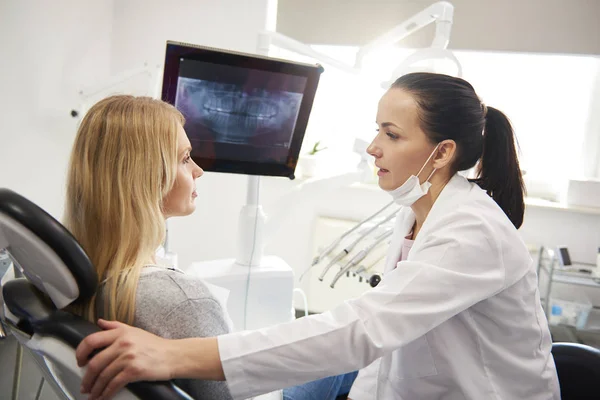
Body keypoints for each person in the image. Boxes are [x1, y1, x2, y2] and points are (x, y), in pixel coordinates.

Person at [76, 73, 560, 400]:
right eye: (377, 131)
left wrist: (171, 354)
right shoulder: (414, 214)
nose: (372, 147)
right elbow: (379, 351)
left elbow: (364, 330)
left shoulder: (473, 231)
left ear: (443, 152)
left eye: (391, 135)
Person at [64, 95, 355, 400]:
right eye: (185, 158)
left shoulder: (85, 271)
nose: (198, 170)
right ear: (146, 177)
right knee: (342, 350)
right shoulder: (180, 299)